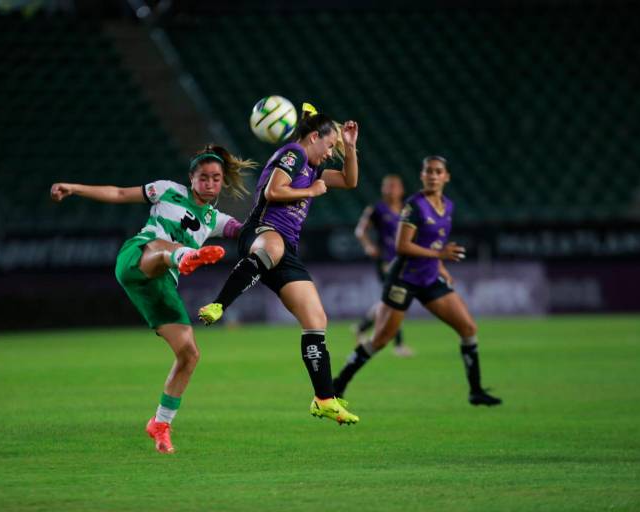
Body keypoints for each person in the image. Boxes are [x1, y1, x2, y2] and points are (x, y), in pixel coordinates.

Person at [50, 144, 255, 453]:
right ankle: (187, 256)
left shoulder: (215, 219)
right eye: (204, 177)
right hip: (138, 256)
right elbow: (119, 194)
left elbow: (245, 231)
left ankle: (160, 424)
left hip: (160, 285)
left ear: (222, 181)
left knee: (189, 354)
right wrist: (74, 188)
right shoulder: (167, 190)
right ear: (191, 178)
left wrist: (275, 222)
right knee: (162, 245)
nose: (210, 183)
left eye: (216, 178)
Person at [198, 103, 361, 425]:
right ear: (314, 137)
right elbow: (273, 191)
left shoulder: (312, 167)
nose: (331, 153)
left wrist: (351, 148)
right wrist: (312, 190)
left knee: (316, 319)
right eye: (330, 146)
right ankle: (218, 305)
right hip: (261, 232)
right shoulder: (294, 154)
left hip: (287, 250)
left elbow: (349, 180)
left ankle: (324, 399)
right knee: (272, 247)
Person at [333, 156, 502, 406]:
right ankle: (337, 384)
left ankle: (475, 391)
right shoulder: (414, 206)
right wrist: (440, 256)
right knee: (380, 340)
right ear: (422, 176)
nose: (433, 175)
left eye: (438, 171)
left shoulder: (449, 206)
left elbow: (436, 242)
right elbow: (403, 247)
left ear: (446, 177)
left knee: (468, 329)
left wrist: (441, 265)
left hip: (430, 277)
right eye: (428, 171)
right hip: (403, 278)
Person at [354, 174, 414, 357]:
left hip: (403, 260)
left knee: (388, 301)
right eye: (387, 186)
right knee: (396, 298)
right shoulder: (376, 209)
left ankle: (362, 327)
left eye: (394, 186)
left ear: (401, 189)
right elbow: (360, 231)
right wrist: (369, 246)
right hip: (386, 261)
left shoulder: (407, 210)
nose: (390, 190)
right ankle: (399, 345)